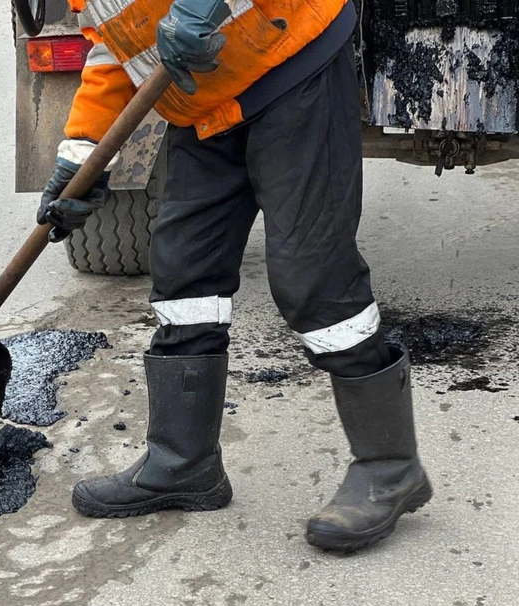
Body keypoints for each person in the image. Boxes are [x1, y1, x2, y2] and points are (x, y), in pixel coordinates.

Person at [37, 0, 432, 551]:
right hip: (202, 101)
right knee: (184, 270)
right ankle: (184, 463)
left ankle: (390, 466)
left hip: (291, 61)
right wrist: (81, 157)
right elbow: (115, 46)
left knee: (311, 275)